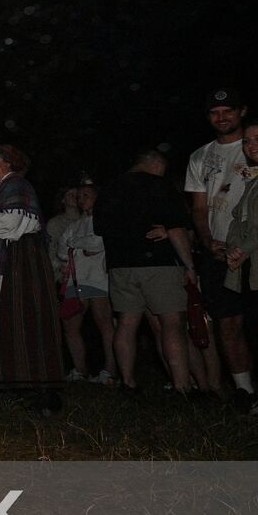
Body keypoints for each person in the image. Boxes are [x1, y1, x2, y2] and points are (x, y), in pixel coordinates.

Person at [95, 149, 199, 394]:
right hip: (158, 264)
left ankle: (128, 382)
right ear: (155, 164)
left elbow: (100, 229)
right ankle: (183, 387)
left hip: (121, 266)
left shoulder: (109, 190)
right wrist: (189, 265)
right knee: (172, 322)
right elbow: (176, 229)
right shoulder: (159, 186)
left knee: (127, 323)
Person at [0, 145, 63, 410]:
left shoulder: (17, 186)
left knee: (28, 319)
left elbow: (12, 225)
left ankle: (44, 391)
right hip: (13, 261)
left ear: (9, 163)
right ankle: (23, 383)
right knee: (12, 321)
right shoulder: (3, 188)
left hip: (22, 262)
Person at [185, 88, 258, 413]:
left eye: (228, 111)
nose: (221, 118)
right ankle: (246, 393)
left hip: (257, 250)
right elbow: (199, 209)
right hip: (219, 254)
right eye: (215, 113)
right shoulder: (200, 157)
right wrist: (207, 242)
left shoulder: (257, 147)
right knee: (227, 323)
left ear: (241, 111)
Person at [56, 182, 118, 384]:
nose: (81, 199)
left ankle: (109, 370)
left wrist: (76, 244)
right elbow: (61, 250)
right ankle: (80, 370)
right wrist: (79, 245)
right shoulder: (75, 225)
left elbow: (99, 243)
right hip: (77, 280)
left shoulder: (107, 220)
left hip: (100, 279)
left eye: (86, 195)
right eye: (79, 196)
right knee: (70, 325)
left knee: (105, 325)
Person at [225, 119, 258, 415]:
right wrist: (233, 247)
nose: (253, 146)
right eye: (248, 141)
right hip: (254, 272)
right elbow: (237, 220)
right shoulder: (254, 183)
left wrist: (244, 248)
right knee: (257, 337)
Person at [45, 186, 82, 286]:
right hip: (64, 275)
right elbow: (51, 250)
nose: (75, 197)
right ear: (63, 199)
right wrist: (58, 273)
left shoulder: (87, 220)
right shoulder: (55, 223)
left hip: (86, 274)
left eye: (77, 195)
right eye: (71, 195)